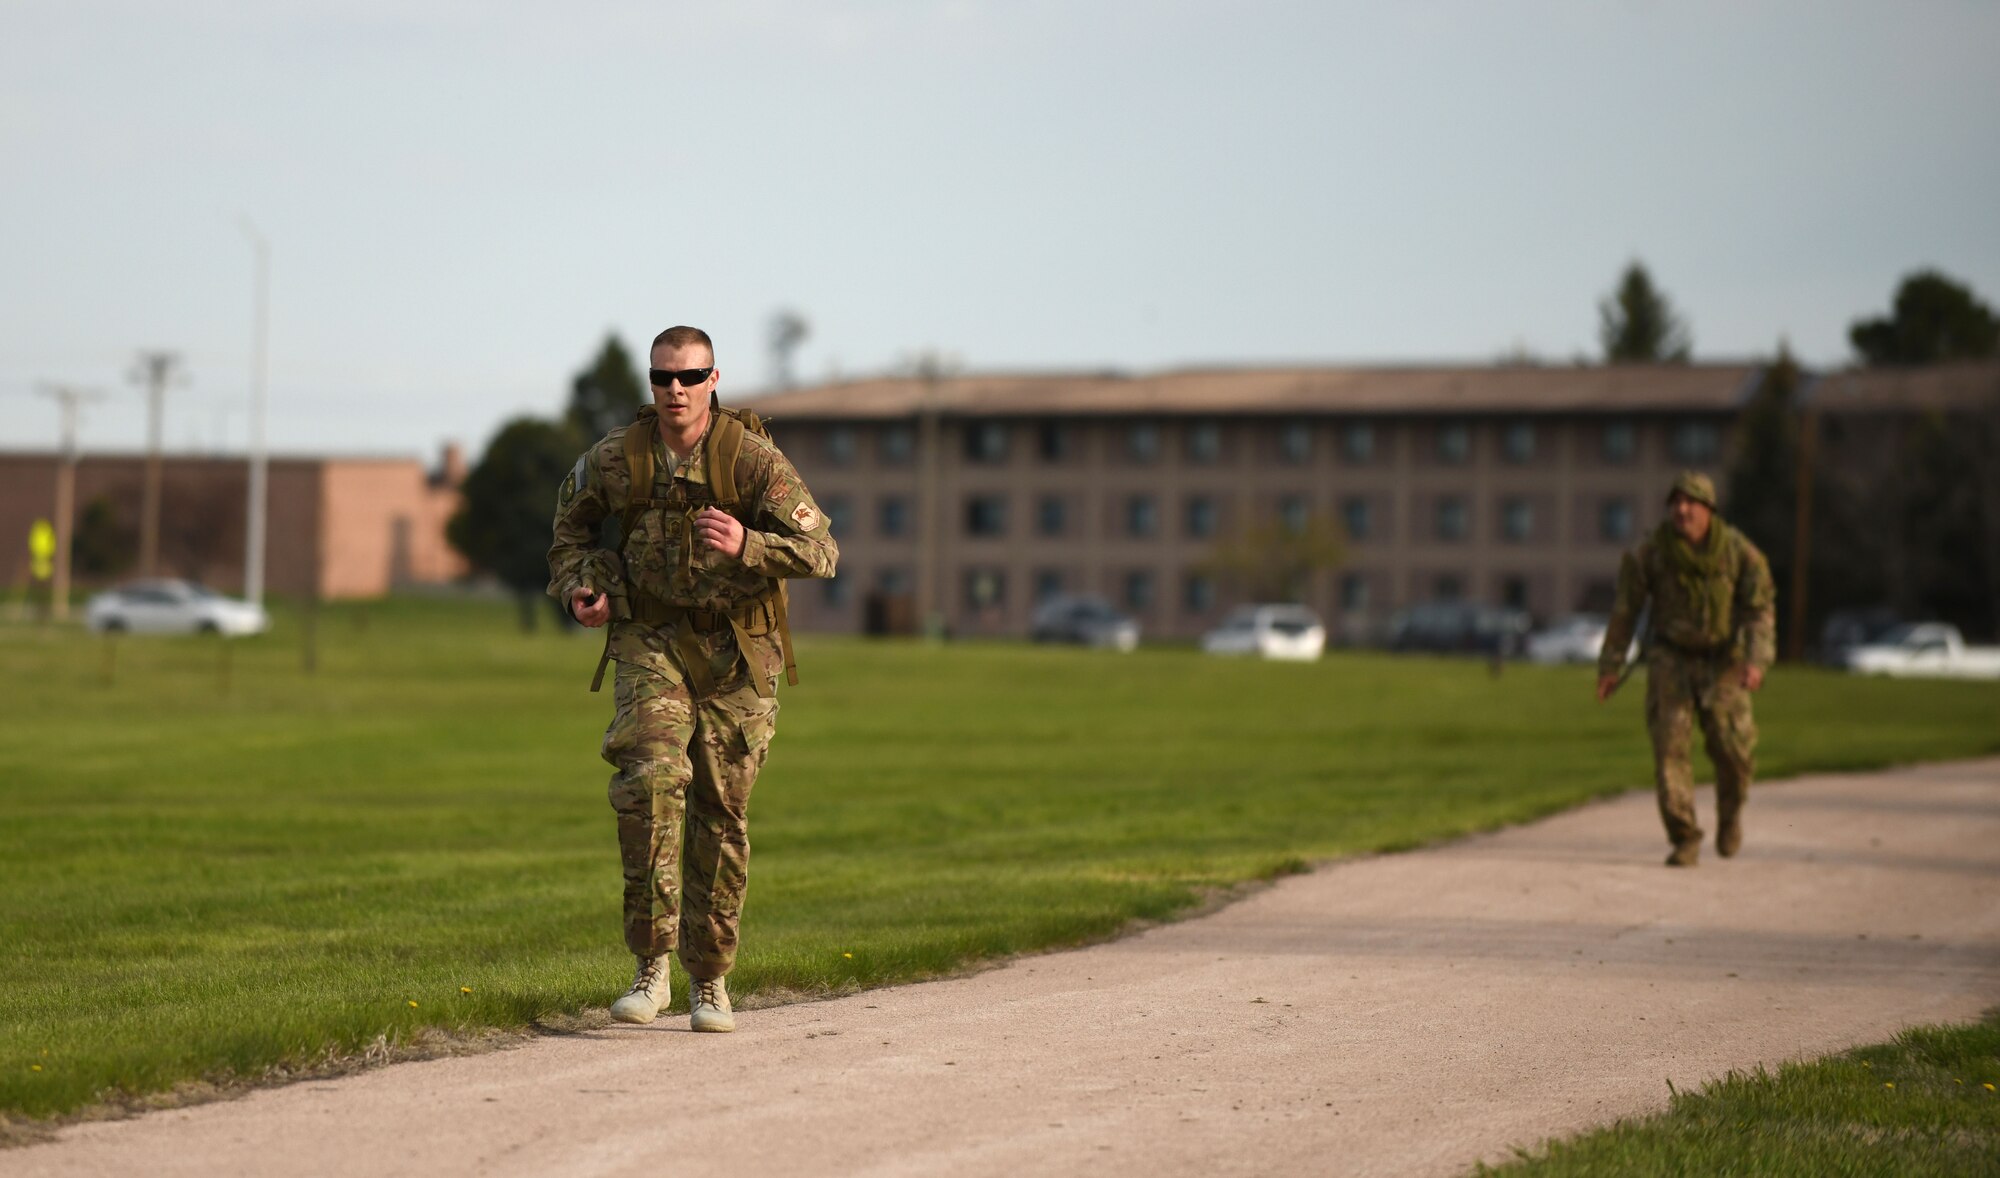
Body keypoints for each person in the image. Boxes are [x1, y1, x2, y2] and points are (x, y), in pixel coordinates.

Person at [548, 325, 837, 1030]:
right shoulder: (618, 459)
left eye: (689, 376)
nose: (674, 390)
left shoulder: (752, 460)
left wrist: (749, 543)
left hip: (738, 656)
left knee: (720, 812)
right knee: (649, 782)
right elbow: (569, 534)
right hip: (651, 641)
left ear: (714, 379)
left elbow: (822, 550)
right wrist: (584, 587)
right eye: (662, 378)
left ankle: (710, 979)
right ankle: (651, 968)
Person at [1596, 471, 1775, 867]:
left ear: (1709, 509)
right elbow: (1626, 610)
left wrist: (1755, 661)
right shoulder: (1651, 553)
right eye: (1675, 502)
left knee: (1733, 752)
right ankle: (1684, 837)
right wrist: (1611, 665)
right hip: (1671, 658)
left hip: (1724, 660)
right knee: (1669, 750)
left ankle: (1730, 814)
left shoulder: (1739, 554)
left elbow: (1759, 610)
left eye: (1691, 502)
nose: (1682, 509)